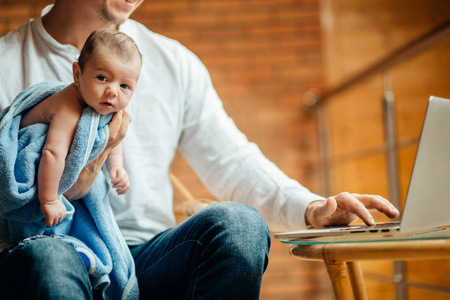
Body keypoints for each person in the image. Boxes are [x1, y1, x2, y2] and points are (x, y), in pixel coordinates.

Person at [0, 1, 400, 299]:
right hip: (46, 251)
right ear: (77, 73)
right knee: (50, 261)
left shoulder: (173, 62)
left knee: (240, 225)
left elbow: (231, 159)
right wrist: (77, 176)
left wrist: (312, 208)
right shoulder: (6, 62)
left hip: (146, 259)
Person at [15, 28, 140, 227]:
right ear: (77, 74)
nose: (112, 92)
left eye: (124, 86)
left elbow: (112, 136)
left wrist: (117, 167)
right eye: (102, 78)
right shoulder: (68, 108)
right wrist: (49, 200)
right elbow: (52, 153)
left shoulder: (106, 107)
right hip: (33, 163)